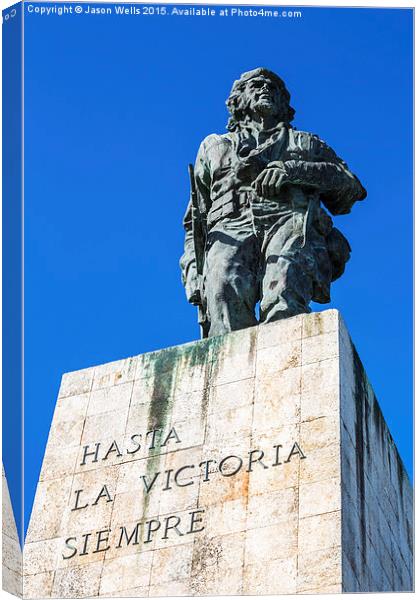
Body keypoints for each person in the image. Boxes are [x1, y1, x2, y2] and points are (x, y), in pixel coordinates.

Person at [180, 68, 366, 338]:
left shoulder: (305, 143)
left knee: (284, 298)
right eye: (256, 85)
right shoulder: (213, 146)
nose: (265, 89)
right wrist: (193, 270)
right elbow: (195, 220)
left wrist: (293, 170)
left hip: (289, 221)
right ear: (238, 101)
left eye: (273, 88)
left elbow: (351, 188)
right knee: (222, 299)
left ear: (283, 103)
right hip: (229, 228)